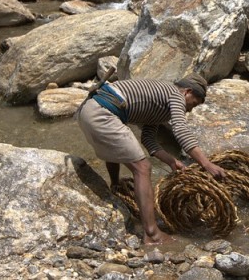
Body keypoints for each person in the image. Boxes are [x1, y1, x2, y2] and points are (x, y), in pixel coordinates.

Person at [76, 72, 226, 245]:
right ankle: (152, 234)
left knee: (119, 149)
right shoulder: (174, 94)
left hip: (88, 110)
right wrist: (206, 164)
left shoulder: (159, 105)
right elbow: (180, 130)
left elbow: (148, 139)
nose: (191, 109)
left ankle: (115, 186)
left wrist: (170, 160)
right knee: (143, 168)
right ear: (187, 92)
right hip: (102, 112)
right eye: (194, 104)